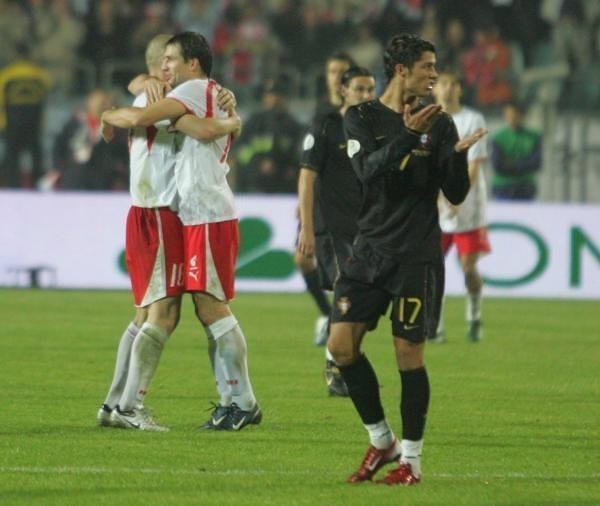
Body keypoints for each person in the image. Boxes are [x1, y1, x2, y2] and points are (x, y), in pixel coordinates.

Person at [328, 34, 486, 485]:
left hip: (416, 255)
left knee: (407, 355)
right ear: (401, 70)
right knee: (341, 347)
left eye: (435, 66)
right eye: (427, 66)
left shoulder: (442, 124)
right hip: (370, 251)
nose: (434, 74)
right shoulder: (361, 117)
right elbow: (366, 172)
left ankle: (411, 463)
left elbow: (454, 193)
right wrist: (408, 135)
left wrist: (457, 158)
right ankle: (382, 441)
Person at [101, 31, 261, 432]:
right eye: (163, 62)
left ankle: (239, 401)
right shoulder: (176, 94)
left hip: (197, 213)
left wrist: (108, 114)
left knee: (197, 309)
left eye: (173, 60)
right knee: (169, 312)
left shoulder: (193, 90)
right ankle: (125, 406)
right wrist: (231, 121)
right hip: (175, 213)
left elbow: (188, 127)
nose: (166, 68)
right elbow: (190, 124)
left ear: (191, 64)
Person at [297, 66, 376, 397]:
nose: (366, 95)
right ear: (344, 91)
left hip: (366, 227)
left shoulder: (375, 129)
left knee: (364, 306)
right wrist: (308, 228)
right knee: (349, 293)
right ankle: (336, 367)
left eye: (370, 89)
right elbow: (307, 177)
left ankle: (344, 359)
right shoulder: (327, 125)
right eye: (359, 89)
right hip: (332, 227)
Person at [295, 51, 356, 347]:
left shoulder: (356, 111)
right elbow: (310, 164)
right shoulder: (323, 112)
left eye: (341, 71)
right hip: (318, 200)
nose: (336, 76)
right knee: (303, 258)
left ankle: (335, 326)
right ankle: (328, 316)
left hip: (342, 206)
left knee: (342, 278)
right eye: (332, 71)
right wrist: (303, 200)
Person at [431, 71, 490, 343]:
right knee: (432, 268)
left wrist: (458, 198)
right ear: (435, 89)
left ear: (460, 90)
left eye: (453, 83)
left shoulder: (472, 119)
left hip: (467, 209)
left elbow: (474, 166)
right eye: (443, 83)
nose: (448, 88)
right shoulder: (428, 120)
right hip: (435, 209)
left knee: (468, 268)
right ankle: (436, 326)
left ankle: (474, 314)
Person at [233, 75, 304, 193]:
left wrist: (286, 168)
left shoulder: (294, 127)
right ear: (264, 98)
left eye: (277, 95)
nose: (274, 99)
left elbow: (299, 157)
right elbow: (241, 151)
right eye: (270, 95)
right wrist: (259, 164)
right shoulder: (253, 123)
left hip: (285, 190)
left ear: (284, 98)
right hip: (254, 188)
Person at [51, 88, 129, 190]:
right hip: (74, 177)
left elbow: (122, 154)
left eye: (105, 102)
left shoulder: (116, 128)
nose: (102, 106)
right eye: (99, 103)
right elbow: (58, 146)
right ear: (88, 103)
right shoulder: (74, 123)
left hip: (103, 180)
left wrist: (119, 175)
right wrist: (57, 168)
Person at [0, 43, 50, 188]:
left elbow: (2, 101)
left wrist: (2, 122)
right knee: (36, 154)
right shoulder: (39, 75)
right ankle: (37, 184)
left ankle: (12, 185)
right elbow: (44, 100)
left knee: (12, 155)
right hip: (33, 120)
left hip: (12, 120)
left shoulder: (6, 75)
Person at [490, 102, 542, 200]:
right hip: (503, 187)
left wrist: (510, 164)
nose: (512, 118)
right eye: (509, 115)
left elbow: (536, 163)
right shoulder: (499, 138)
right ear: (504, 115)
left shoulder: (534, 137)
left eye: (515, 115)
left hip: (525, 187)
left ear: (522, 115)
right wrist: (523, 164)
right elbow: (497, 165)